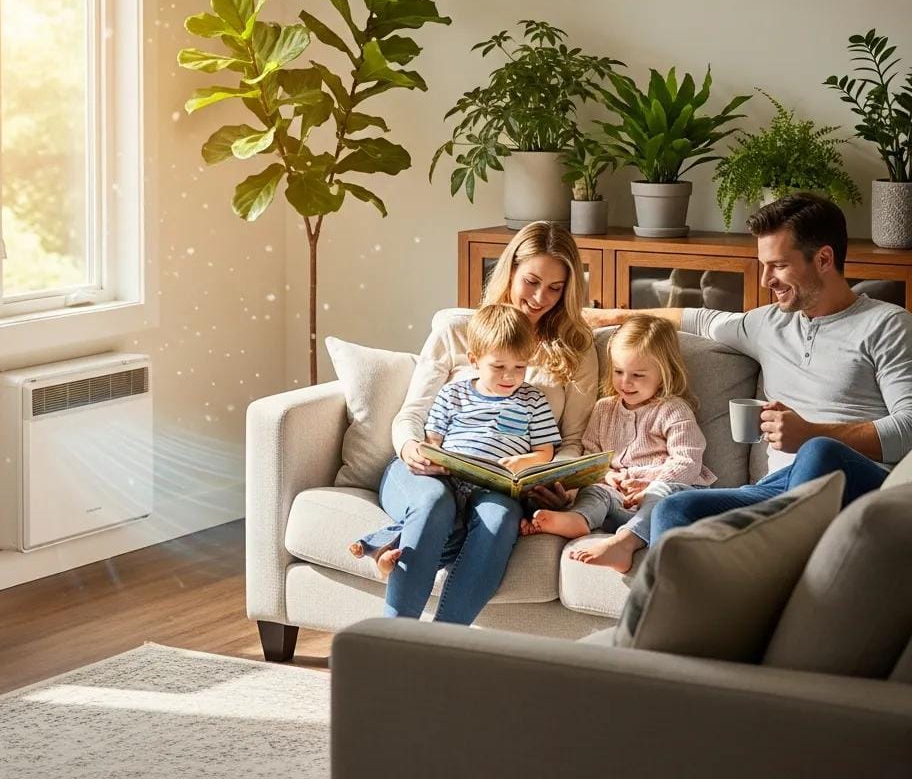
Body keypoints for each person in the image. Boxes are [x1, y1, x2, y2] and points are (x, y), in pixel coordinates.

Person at [578, 193, 912, 548]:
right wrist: (612, 317)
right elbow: (697, 318)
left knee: (819, 451)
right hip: (772, 492)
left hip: (860, 485)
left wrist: (811, 432)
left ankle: (767, 549)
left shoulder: (887, 325)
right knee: (673, 509)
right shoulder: (768, 324)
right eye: (763, 265)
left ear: (824, 258)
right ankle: (759, 558)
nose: (766, 279)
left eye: (778, 265)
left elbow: (908, 427)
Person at [377, 220, 598, 624]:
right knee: (432, 503)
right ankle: (393, 640)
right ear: (509, 269)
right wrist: (412, 450)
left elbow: (572, 439)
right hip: (430, 471)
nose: (539, 298)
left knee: (498, 519)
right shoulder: (457, 330)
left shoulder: (576, 349)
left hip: (505, 484)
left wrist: (554, 479)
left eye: (555, 288)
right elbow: (413, 413)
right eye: (531, 281)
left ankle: (445, 647)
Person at [349, 303, 561, 578]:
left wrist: (525, 461)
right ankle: (383, 549)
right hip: (450, 478)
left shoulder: (533, 400)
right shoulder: (453, 393)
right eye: (498, 366)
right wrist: (433, 456)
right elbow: (434, 438)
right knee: (437, 514)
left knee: (459, 534)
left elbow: (545, 451)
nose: (510, 376)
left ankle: (384, 548)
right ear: (474, 361)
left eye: (520, 367)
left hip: (492, 488)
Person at [520, 316, 715, 572]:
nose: (625, 382)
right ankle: (579, 520)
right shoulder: (604, 409)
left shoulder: (673, 410)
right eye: (619, 372)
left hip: (660, 500)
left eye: (638, 375)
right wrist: (606, 476)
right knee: (595, 493)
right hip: (617, 500)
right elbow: (591, 456)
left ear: (664, 372)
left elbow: (687, 461)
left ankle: (624, 543)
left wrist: (652, 486)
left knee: (665, 495)